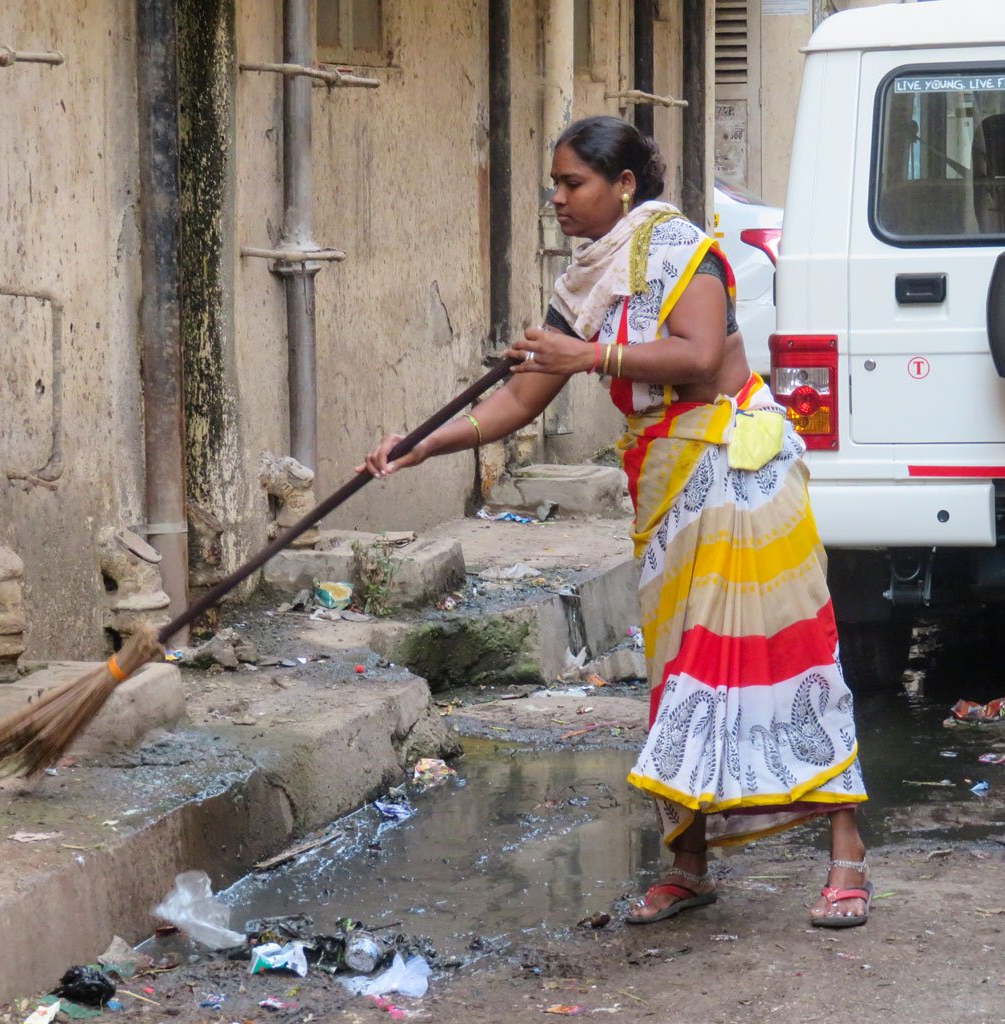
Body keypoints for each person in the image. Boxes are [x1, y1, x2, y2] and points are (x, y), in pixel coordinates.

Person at [360, 115, 872, 930]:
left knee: (785, 653)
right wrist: (421, 446)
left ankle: (846, 854)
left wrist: (588, 358)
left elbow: (700, 356)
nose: (558, 200)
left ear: (624, 184)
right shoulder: (586, 281)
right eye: (556, 186)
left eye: (574, 184)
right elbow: (518, 401)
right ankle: (689, 865)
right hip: (668, 488)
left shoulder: (682, 249)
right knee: (680, 670)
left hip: (739, 474)